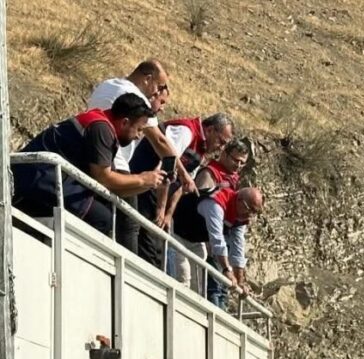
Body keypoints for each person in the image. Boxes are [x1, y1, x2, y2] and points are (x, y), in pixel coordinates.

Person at [13, 94, 165, 235]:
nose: (139, 136)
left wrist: (147, 184)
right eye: (139, 129)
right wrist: (142, 179)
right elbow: (104, 178)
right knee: (102, 219)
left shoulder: (102, 123)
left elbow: (112, 187)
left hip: (42, 177)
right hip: (40, 179)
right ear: (125, 122)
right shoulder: (101, 129)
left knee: (105, 210)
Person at [88, 60, 197, 252]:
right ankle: (128, 275)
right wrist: (183, 174)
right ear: (148, 79)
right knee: (130, 224)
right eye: (159, 86)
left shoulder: (107, 84)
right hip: (116, 162)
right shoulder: (136, 98)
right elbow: (160, 141)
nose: (157, 92)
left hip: (91, 153)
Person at [127, 114, 235, 269]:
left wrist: (169, 214)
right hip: (143, 184)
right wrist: (161, 209)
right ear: (210, 130)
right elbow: (167, 166)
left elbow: (181, 187)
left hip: (158, 194)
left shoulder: (200, 151)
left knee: (161, 249)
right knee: (149, 245)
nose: (221, 147)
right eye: (221, 141)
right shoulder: (186, 132)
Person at [170, 140, 249, 293]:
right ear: (224, 154)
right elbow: (203, 207)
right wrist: (226, 267)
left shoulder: (233, 180)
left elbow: (238, 238)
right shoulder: (210, 173)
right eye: (236, 160)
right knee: (183, 279)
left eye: (242, 163)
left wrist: (240, 280)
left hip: (197, 238)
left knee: (199, 286)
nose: (238, 166)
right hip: (180, 229)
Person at [199, 186, 263, 309]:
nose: (250, 215)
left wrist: (240, 281)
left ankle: (219, 318)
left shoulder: (241, 217)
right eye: (250, 210)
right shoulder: (216, 204)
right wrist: (227, 270)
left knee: (223, 289)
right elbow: (217, 239)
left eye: (254, 212)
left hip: (208, 246)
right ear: (240, 201)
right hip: (188, 236)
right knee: (214, 286)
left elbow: (238, 247)